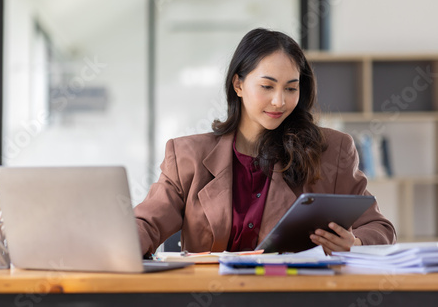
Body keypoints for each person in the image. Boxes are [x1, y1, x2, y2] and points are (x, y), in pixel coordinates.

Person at [134, 28, 396, 257]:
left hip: (292, 295)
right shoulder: (187, 156)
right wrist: (114, 246)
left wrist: (355, 242)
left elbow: (381, 228)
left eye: (291, 88)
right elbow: (147, 223)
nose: (280, 101)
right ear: (238, 84)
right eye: (267, 86)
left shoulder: (330, 151)